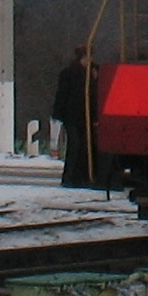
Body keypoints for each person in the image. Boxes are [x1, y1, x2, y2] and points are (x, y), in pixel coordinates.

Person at [49, 45, 96, 189]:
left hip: (85, 116)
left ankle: (80, 177)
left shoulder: (92, 72)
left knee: (83, 146)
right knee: (75, 145)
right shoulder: (70, 73)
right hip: (73, 116)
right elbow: (62, 95)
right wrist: (58, 114)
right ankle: (70, 177)